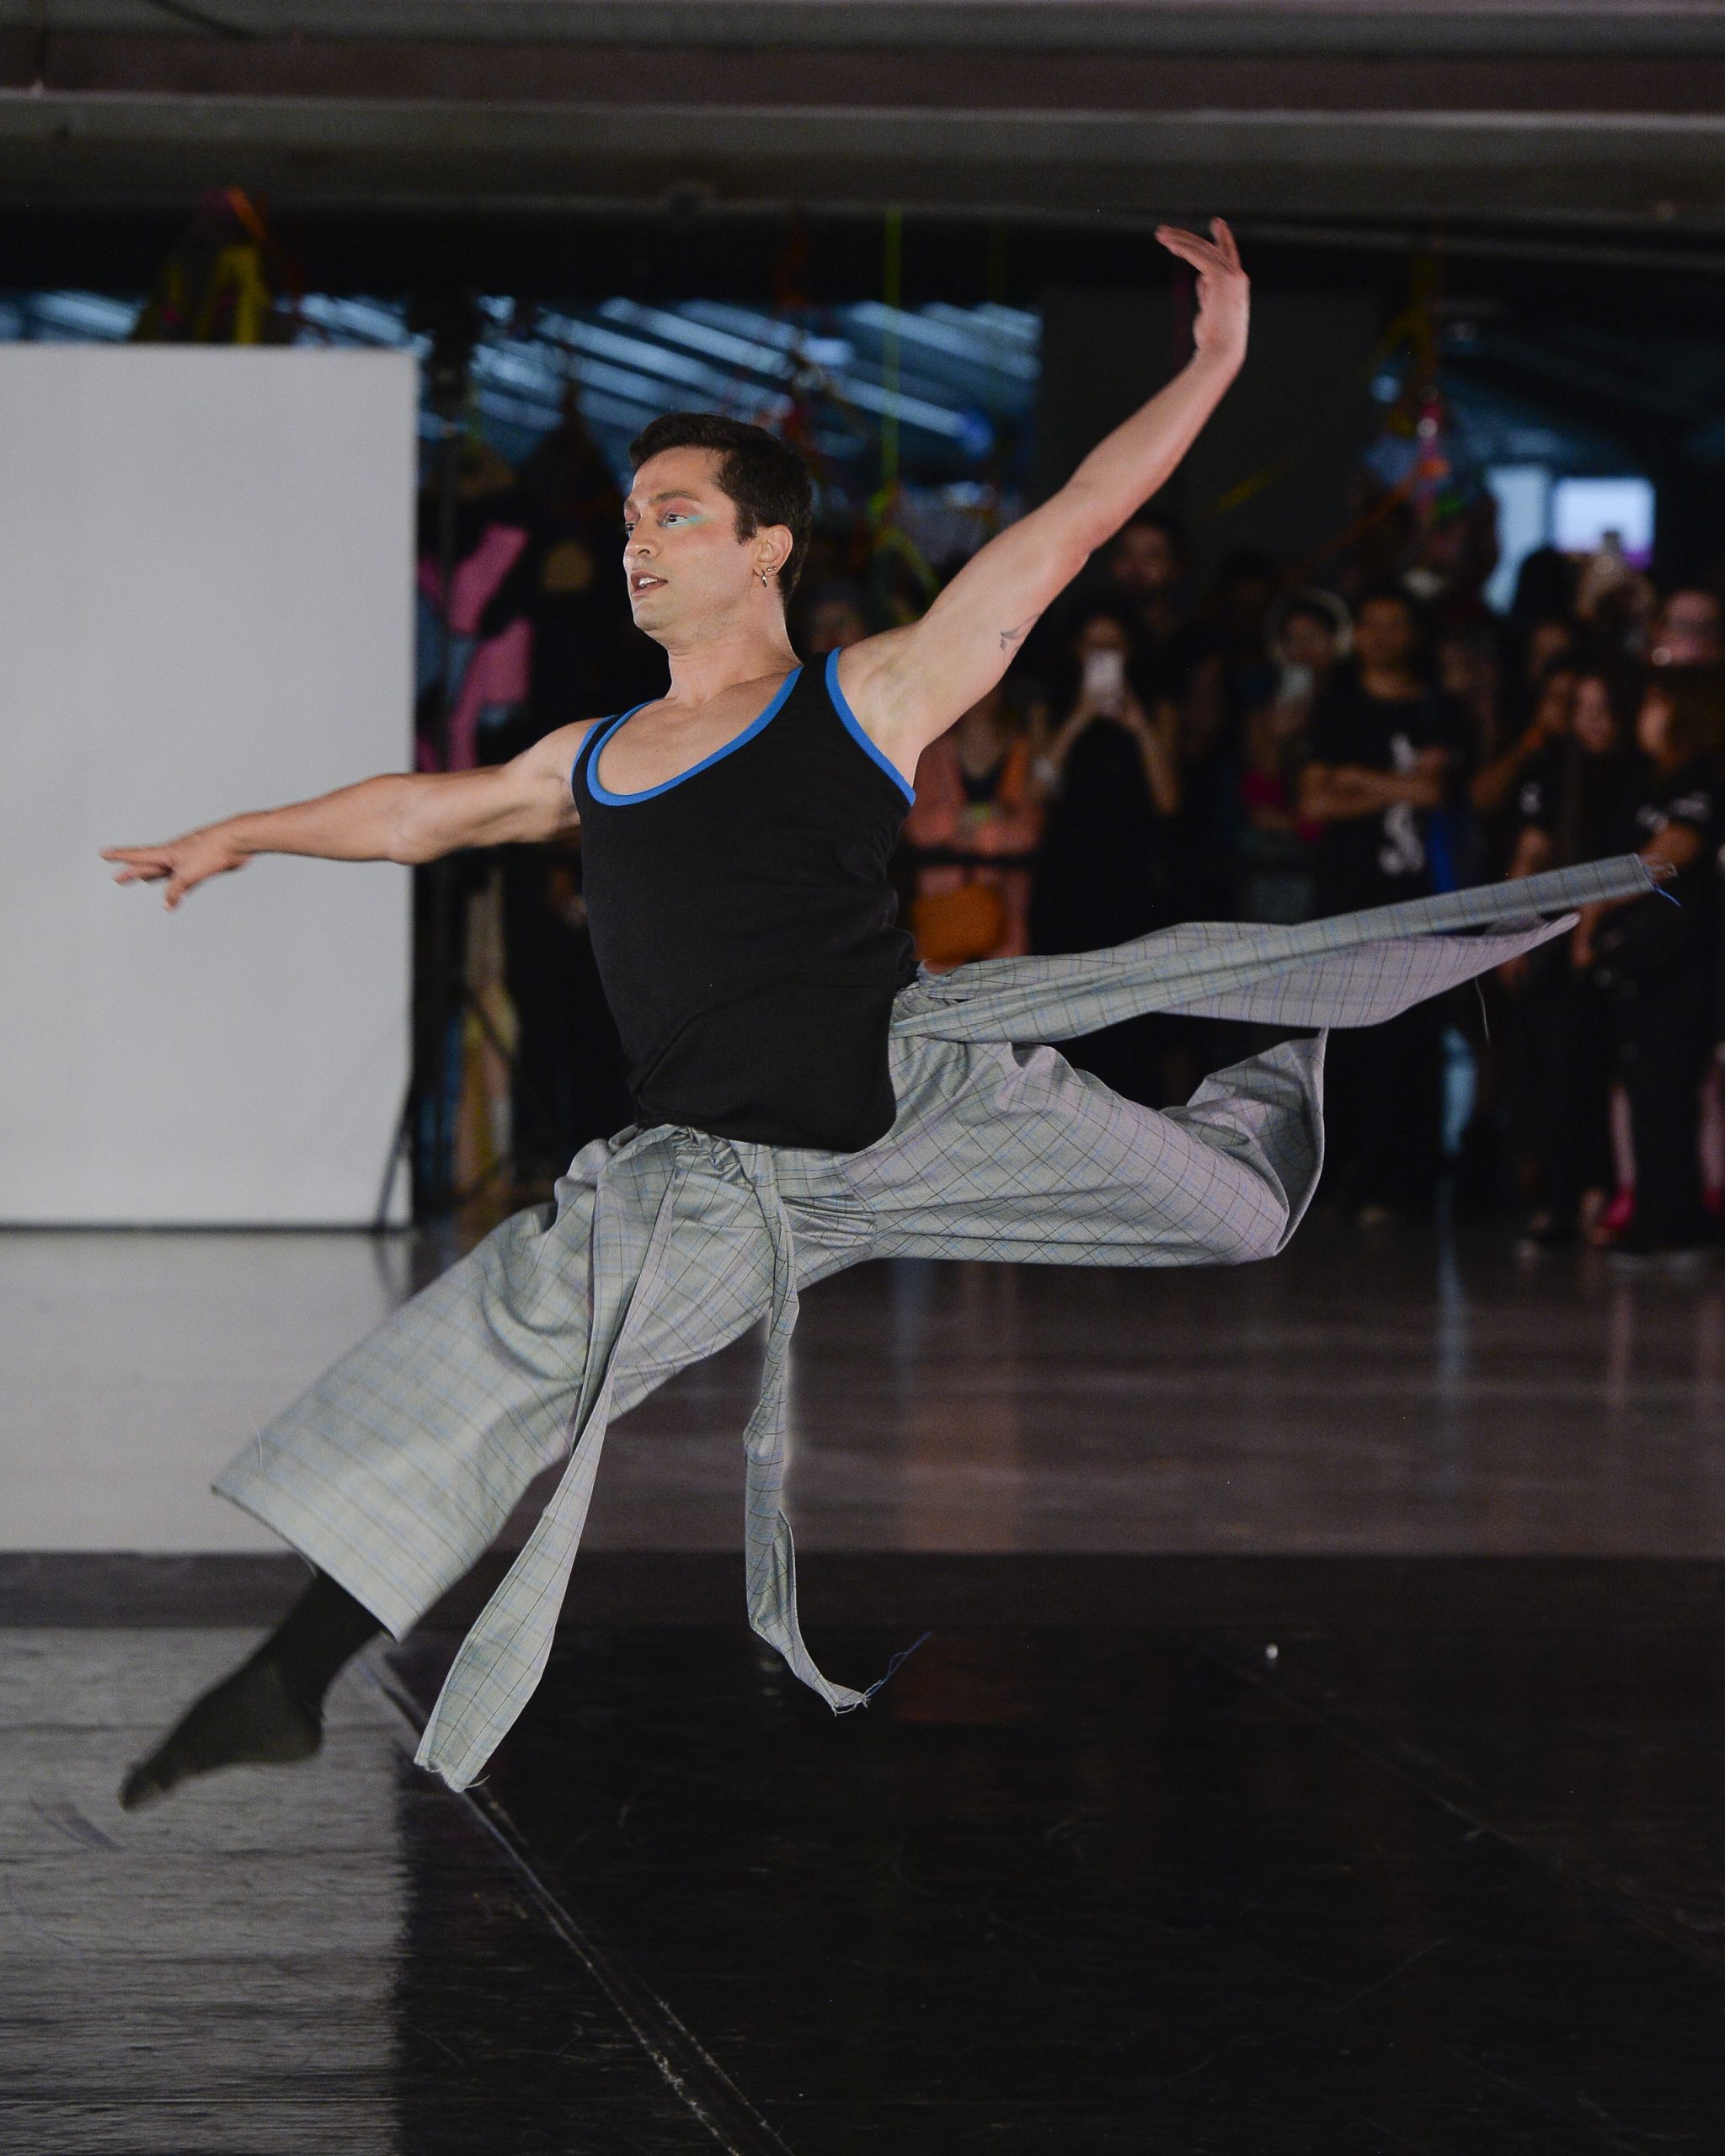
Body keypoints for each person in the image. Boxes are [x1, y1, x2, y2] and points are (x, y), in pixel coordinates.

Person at [102, 221, 1641, 1808]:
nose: (638, 543)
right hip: (717, 1182)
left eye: (674, 516)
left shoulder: (869, 696)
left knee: (1240, 1221)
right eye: (631, 519)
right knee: (489, 1371)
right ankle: (287, 1680)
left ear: (764, 547)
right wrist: (243, 832)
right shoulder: (593, 753)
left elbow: (1069, 525)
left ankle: (1274, 1056)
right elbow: (426, 811)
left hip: (920, 1112)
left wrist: (1219, 363)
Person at [1297, 588, 1476, 1219]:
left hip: (1418, 898)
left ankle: (1403, 1180)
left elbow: (1439, 794)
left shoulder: (1440, 709)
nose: (1380, 636)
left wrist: (1357, 780)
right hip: (1346, 896)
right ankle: (1340, 1173)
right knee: (1339, 1037)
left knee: (1410, 1039)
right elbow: (1314, 801)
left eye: (1395, 624)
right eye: (1370, 623)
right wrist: (1397, 785)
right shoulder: (1339, 706)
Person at [1578, 664, 1725, 1264]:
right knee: (1644, 1085)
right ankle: (1655, 1212)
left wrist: (1593, 907)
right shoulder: (1649, 780)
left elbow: (1674, 852)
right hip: (1646, 959)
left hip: (1685, 959)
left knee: (1665, 1085)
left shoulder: (1704, 774)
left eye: (1656, 704)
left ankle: (1673, 1224)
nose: (1645, 716)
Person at [1499, 666, 1639, 1246]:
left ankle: (1609, 1192)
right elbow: (1530, 852)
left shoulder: (1644, 771)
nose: (1592, 720)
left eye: (1603, 707)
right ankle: (1562, 1200)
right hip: (1562, 939)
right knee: (1559, 1072)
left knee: (1616, 1073)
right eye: (1581, 707)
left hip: (1630, 935)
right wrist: (1510, 931)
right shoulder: (1554, 768)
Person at [1027, 611, 1182, 1100]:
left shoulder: (1155, 707)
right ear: (1075, 652)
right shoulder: (1051, 705)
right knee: (1065, 1003)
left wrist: (1138, 726)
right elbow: (1038, 789)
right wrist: (1079, 717)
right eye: (1093, 647)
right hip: (1066, 872)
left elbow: (1169, 800)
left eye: (1113, 648)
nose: (1102, 658)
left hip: (1131, 873)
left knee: (1132, 1013)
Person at [900, 680, 1044, 967]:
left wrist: (961, 825)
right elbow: (919, 830)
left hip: (1005, 925)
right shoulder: (933, 753)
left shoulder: (1022, 751)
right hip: (944, 922)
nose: (980, 696)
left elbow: (1027, 833)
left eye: (990, 684)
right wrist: (992, 818)